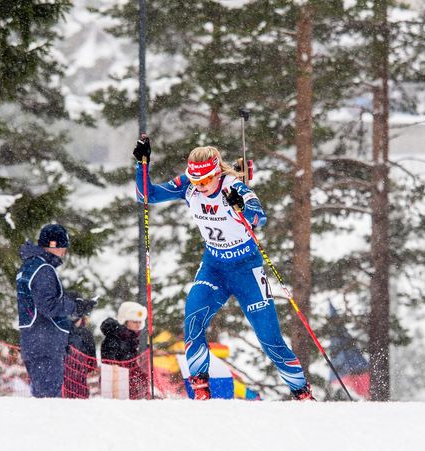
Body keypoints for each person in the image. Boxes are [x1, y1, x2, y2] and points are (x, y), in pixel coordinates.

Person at [133, 136, 314, 400]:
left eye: (206, 180)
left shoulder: (234, 186)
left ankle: (302, 392)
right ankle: (200, 388)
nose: (201, 186)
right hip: (214, 268)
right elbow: (146, 196)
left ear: (217, 173)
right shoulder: (189, 185)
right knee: (193, 320)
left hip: (246, 270)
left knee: (270, 339)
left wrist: (240, 208)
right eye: (196, 181)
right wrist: (142, 164)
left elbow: (258, 217)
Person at [16, 223, 96, 397]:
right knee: (49, 399)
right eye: (63, 246)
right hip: (45, 340)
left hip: (34, 338)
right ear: (54, 245)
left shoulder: (30, 266)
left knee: (43, 395)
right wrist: (76, 306)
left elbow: (40, 301)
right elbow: (48, 305)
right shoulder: (43, 269)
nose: (64, 251)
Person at [100, 301, 149, 399]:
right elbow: (110, 364)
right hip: (116, 383)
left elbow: (132, 362)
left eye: (140, 322)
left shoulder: (133, 337)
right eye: (134, 321)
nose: (138, 325)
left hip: (129, 382)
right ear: (125, 321)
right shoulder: (114, 337)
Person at [64, 316, 97, 399]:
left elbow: (91, 352)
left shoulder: (86, 333)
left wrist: (92, 366)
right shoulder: (63, 331)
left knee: (80, 392)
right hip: (65, 370)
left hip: (81, 369)